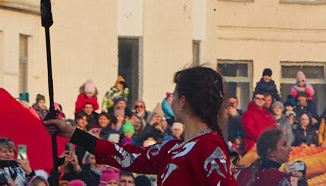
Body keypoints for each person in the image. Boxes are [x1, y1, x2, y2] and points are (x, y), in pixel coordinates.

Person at [46, 65, 237, 186]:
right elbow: (126, 156)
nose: (170, 99)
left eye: (174, 94)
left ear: (183, 101)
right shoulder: (174, 148)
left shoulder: (208, 146)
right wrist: (71, 132)